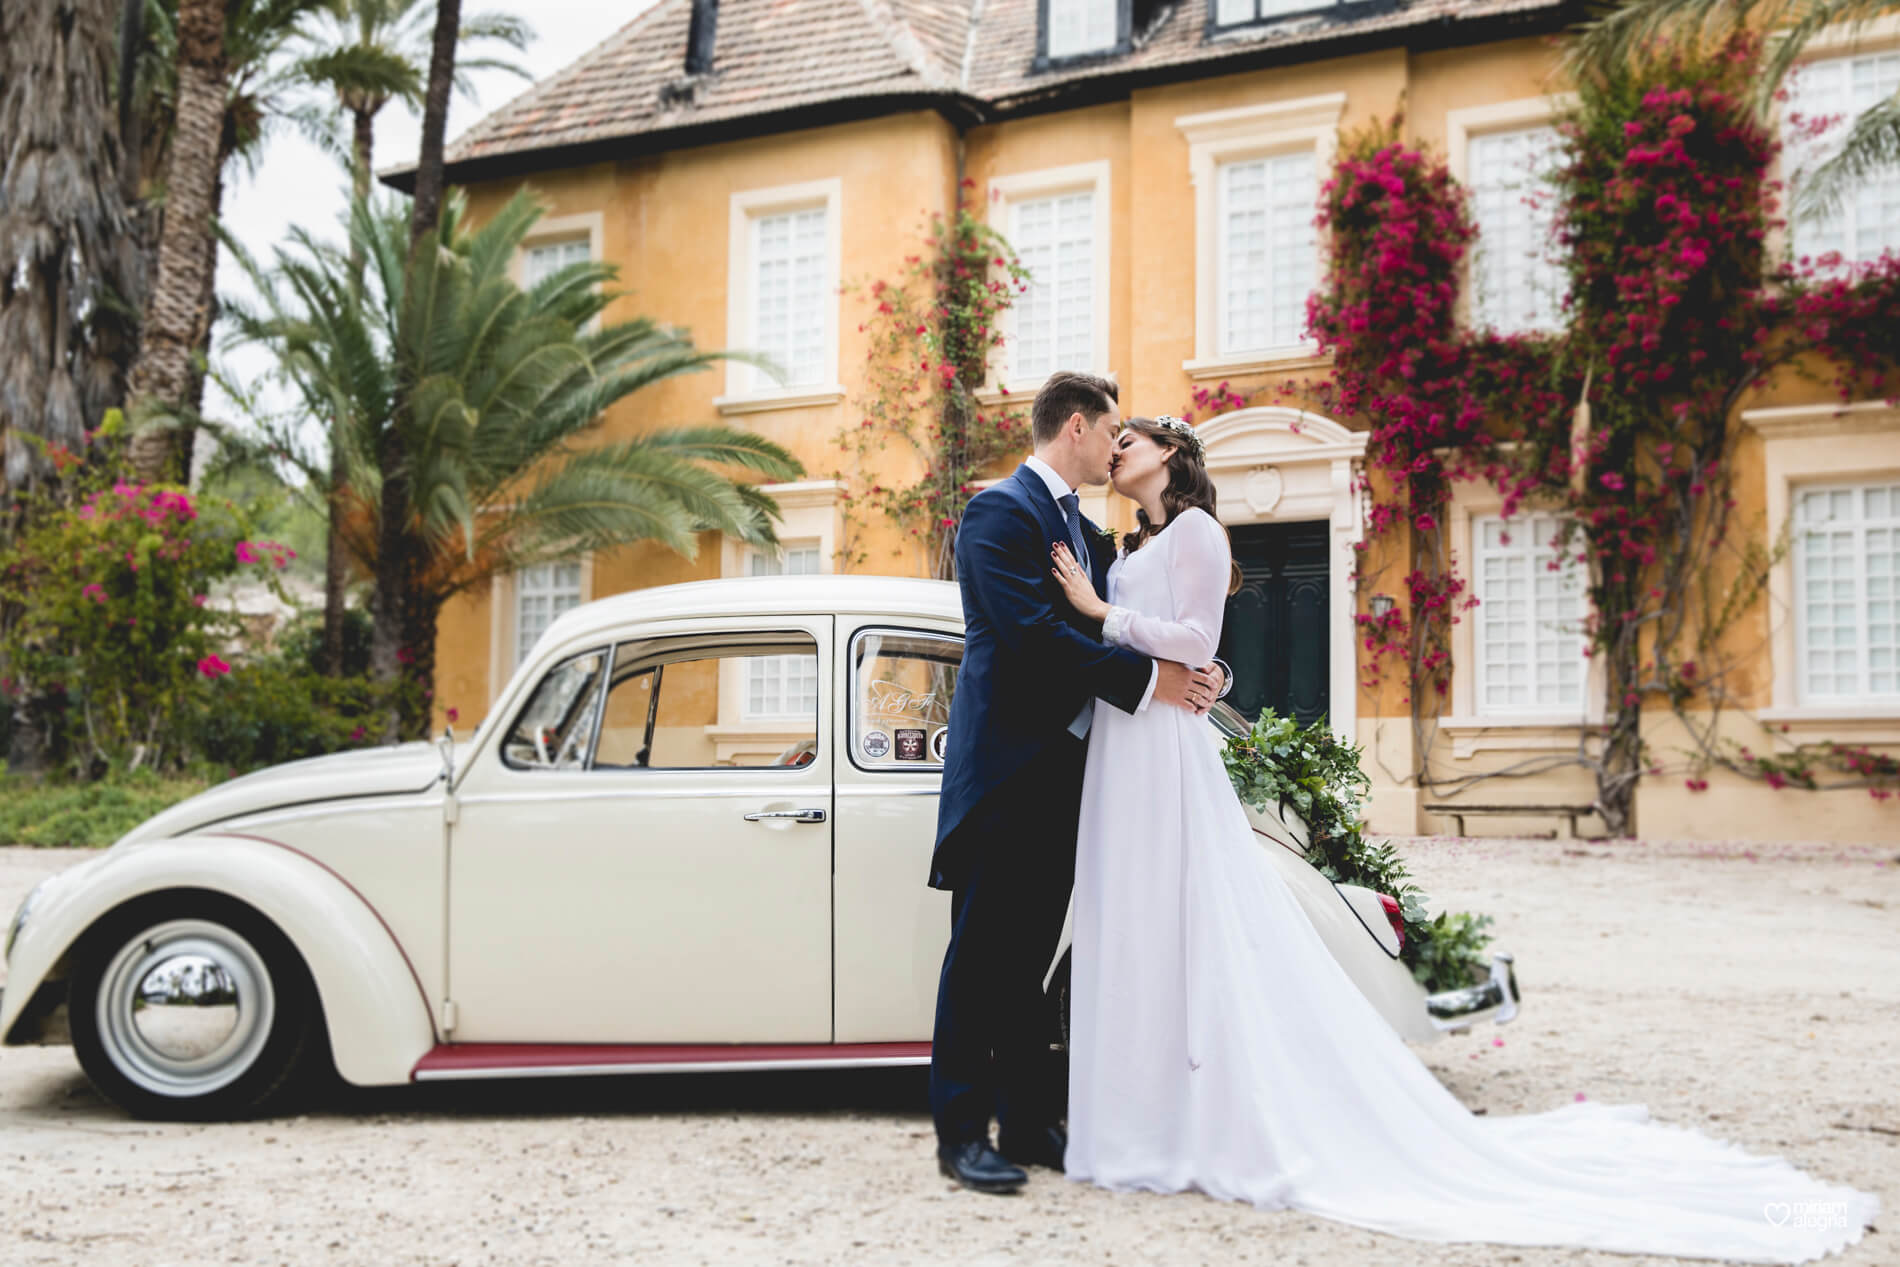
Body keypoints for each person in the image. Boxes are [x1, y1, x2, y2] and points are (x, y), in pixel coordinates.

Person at [1046, 414, 1880, 1262]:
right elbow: (1165, 650)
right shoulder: (1130, 543)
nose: (1116, 452)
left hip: (1171, 752)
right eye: (1111, 443)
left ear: (1174, 454)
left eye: (1131, 442)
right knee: (1143, 923)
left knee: (1195, 918)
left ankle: (1214, 1115)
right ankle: (1148, 1114)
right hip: (1132, 740)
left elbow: (1195, 641)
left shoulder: (1197, 531)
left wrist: (1103, 611)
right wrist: (1117, 614)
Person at [927, 374, 1227, 1195]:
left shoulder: (1090, 535)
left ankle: (1026, 1123)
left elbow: (1137, 608)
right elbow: (1032, 637)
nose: (1116, 446)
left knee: (1030, 959)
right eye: (1110, 432)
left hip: (1072, 778)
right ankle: (960, 1133)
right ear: (1074, 428)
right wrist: (1152, 683)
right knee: (981, 956)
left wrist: (1201, 672)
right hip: (1004, 774)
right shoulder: (998, 513)